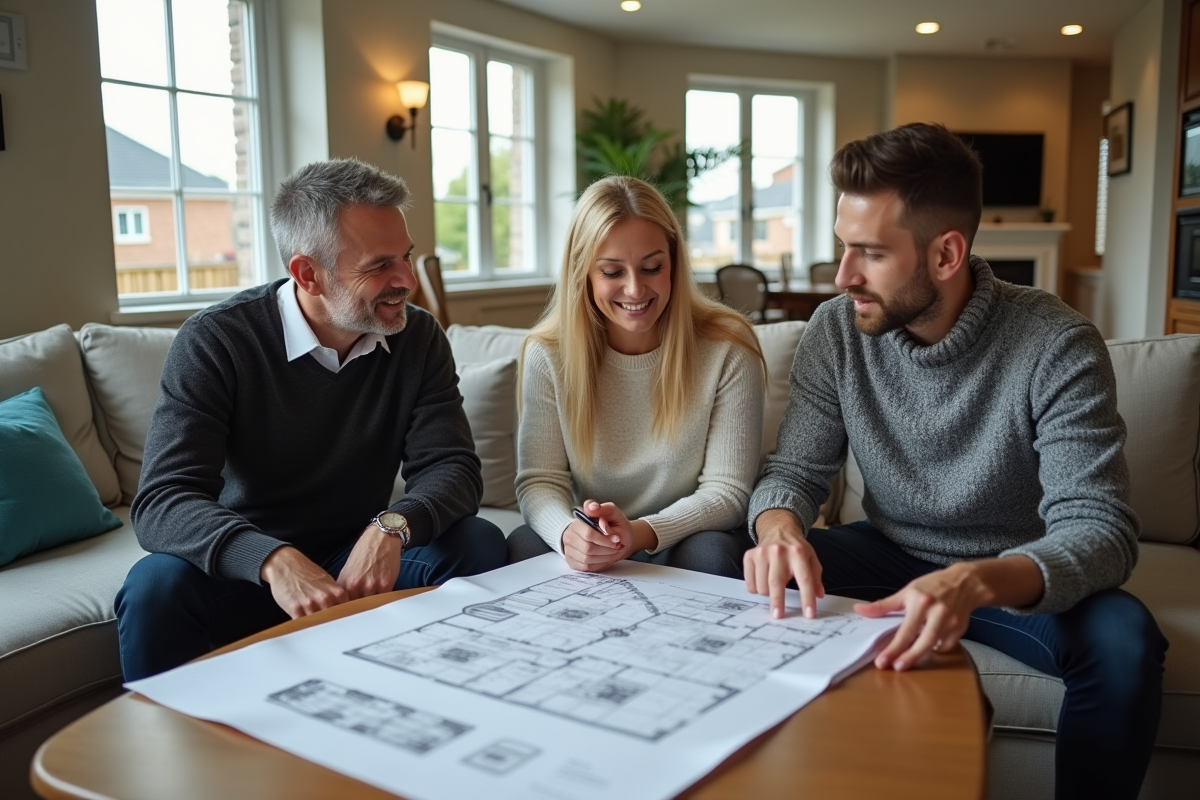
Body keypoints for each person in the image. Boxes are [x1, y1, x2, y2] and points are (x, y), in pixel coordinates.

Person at [743, 122, 1166, 799]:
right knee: (729, 568)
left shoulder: (1057, 344)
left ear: (946, 254)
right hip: (889, 550)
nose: (844, 275)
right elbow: (793, 473)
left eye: (870, 254)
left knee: (1125, 647)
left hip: (1012, 569)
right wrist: (778, 528)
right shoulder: (837, 329)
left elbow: (1101, 530)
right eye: (842, 249)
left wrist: (973, 583)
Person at [116, 158, 506, 681]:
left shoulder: (418, 337)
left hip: (361, 560)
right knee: (154, 587)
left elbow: (453, 469)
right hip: (250, 573)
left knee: (476, 542)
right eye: (379, 265)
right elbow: (163, 501)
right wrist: (272, 559)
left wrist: (390, 527)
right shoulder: (217, 341)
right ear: (308, 274)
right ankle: (171, 748)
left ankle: (455, 709)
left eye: (406, 258)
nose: (407, 281)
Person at [507, 176, 766, 578]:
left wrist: (640, 533)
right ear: (583, 275)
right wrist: (569, 536)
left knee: (711, 554)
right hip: (597, 536)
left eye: (652, 268)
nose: (634, 289)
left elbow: (728, 492)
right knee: (524, 544)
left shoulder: (727, 347)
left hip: (685, 536)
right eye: (612, 272)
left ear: (674, 265)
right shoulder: (548, 353)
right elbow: (540, 481)